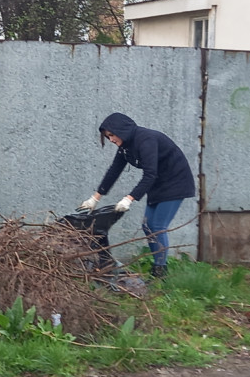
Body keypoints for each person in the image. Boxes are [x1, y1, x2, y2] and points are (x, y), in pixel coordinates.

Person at [78, 113, 195, 279]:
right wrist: (95, 198)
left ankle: (160, 273)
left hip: (176, 182)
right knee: (148, 226)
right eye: (107, 136)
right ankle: (158, 270)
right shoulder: (126, 147)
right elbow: (114, 171)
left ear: (121, 130)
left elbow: (150, 174)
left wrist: (129, 199)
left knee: (158, 226)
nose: (110, 139)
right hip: (158, 184)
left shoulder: (145, 140)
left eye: (111, 135)